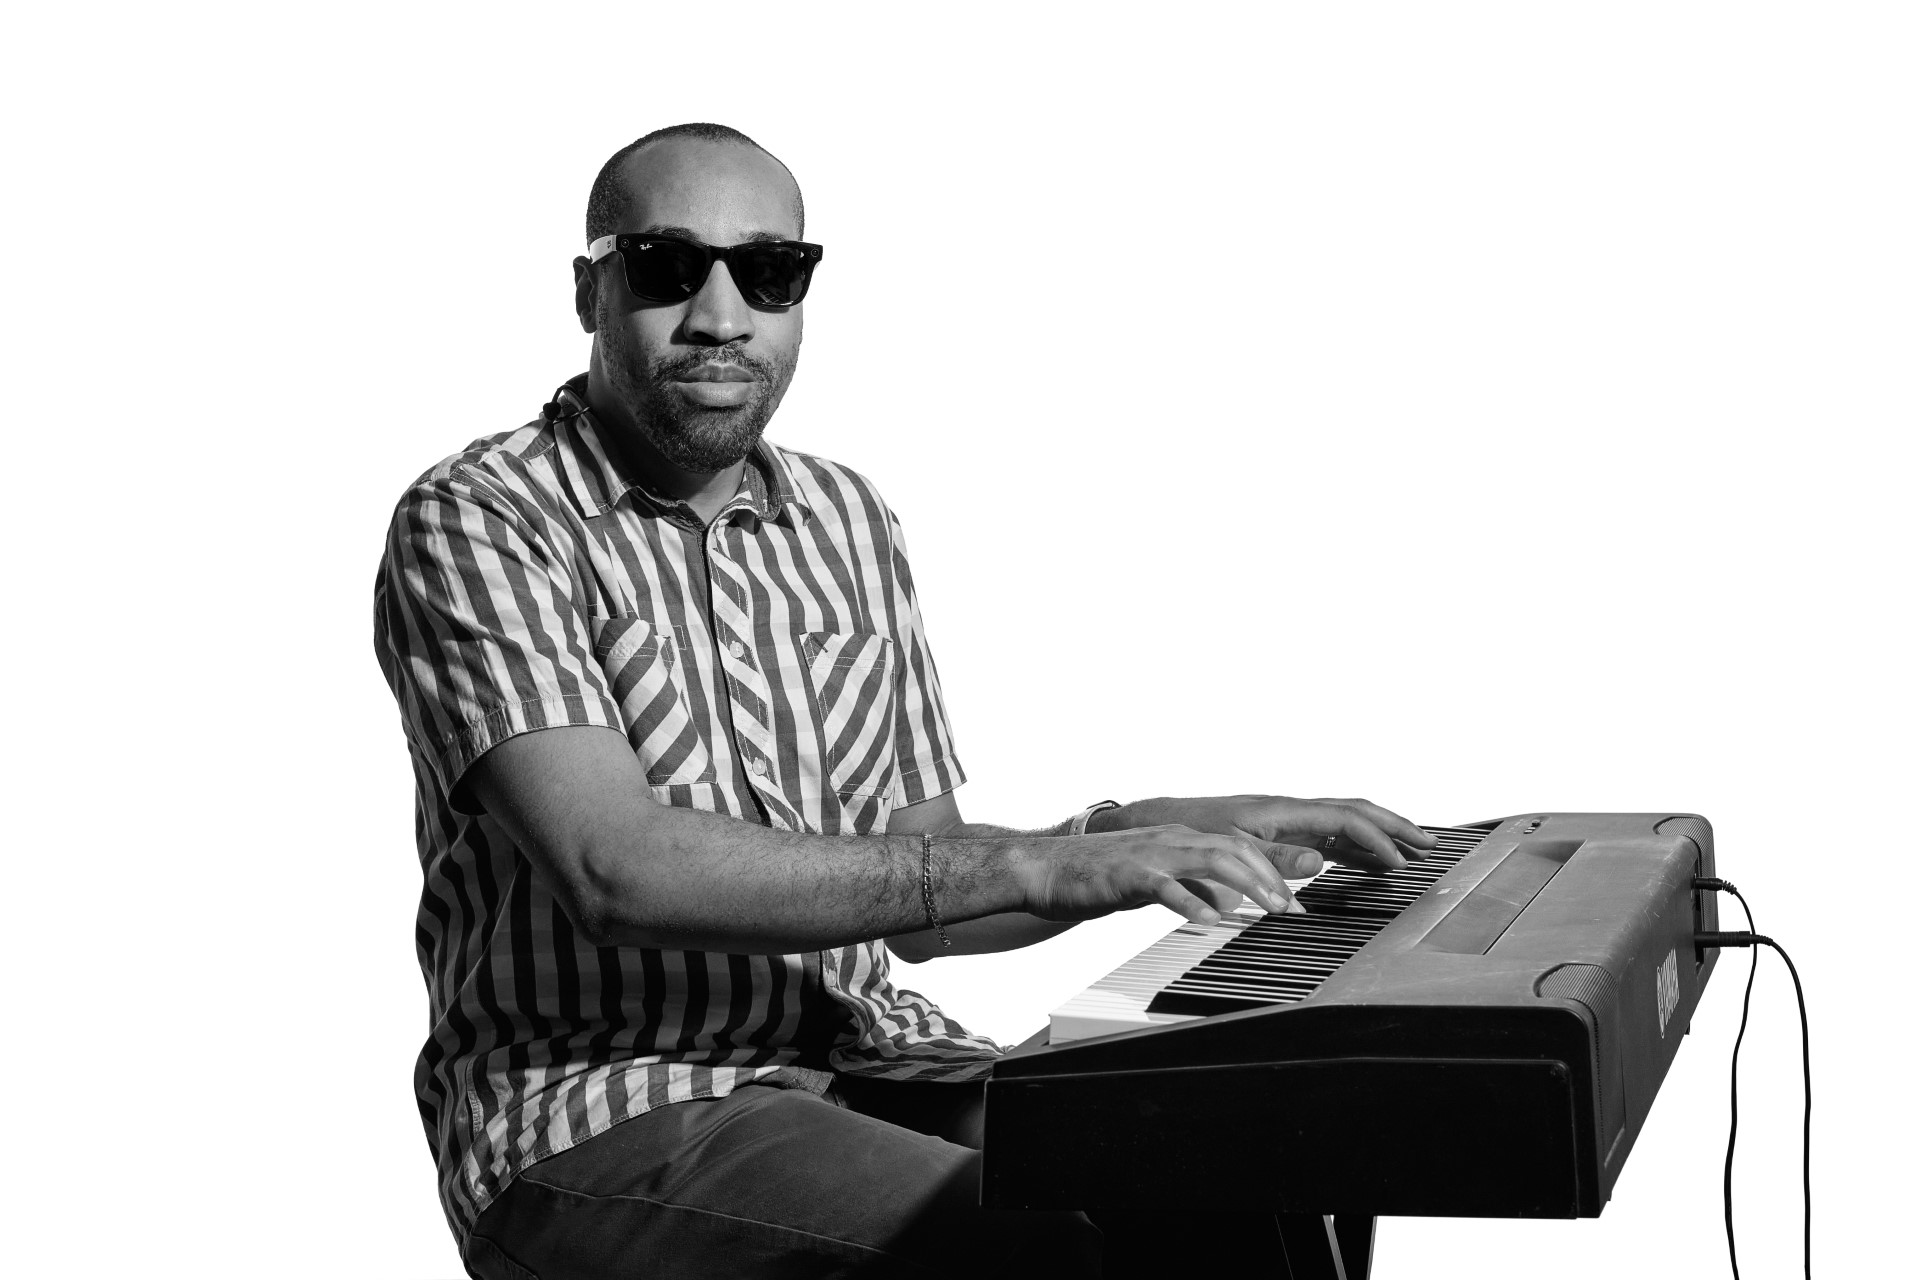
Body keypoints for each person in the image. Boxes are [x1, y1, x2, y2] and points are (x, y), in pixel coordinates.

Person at [373, 122, 1436, 1279]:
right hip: (602, 1109)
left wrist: (1136, 833)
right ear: (591, 288)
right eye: (671, 268)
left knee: (1243, 1170)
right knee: (1029, 1257)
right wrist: (1040, 866)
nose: (723, 314)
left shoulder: (844, 519)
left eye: (769, 272)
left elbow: (922, 878)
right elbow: (616, 868)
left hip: (880, 1062)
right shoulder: (481, 517)